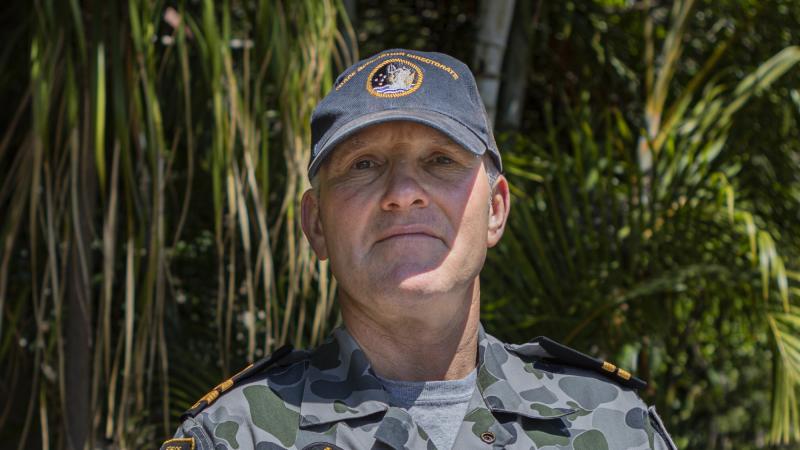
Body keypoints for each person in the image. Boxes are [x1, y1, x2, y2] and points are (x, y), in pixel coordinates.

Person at [161, 49, 677, 450]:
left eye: (440, 160)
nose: (403, 191)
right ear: (316, 224)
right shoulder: (234, 435)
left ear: (496, 209)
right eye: (364, 164)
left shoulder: (611, 424)